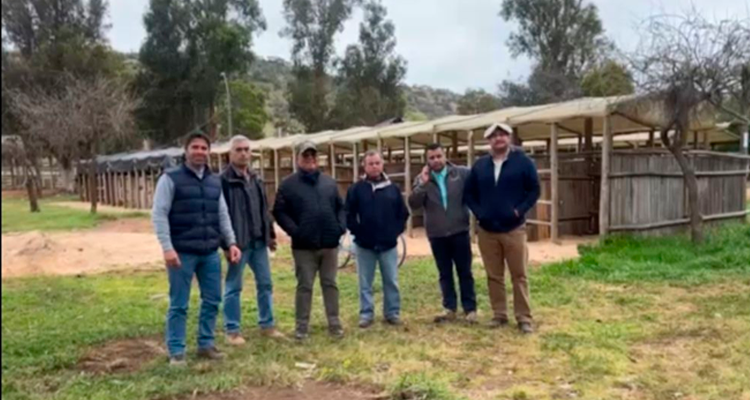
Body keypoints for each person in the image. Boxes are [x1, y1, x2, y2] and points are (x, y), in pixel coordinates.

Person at [152, 130, 242, 366]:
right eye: (195, 148)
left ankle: (205, 344)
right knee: (179, 303)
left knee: (212, 299)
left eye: (204, 148)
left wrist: (231, 242)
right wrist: (167, 247)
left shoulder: (214, 182)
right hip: (181, 252)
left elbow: (222, 214)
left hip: (209, 252)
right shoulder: (170, 179)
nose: (200, 152)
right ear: (186, 150)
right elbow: (159, 214)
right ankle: (176, 350)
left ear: (209, 152)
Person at [464, 123, 540, 334]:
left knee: (519, 275)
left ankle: (523, 317)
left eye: (502, 135)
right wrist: (480, 213)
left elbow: (534, 190)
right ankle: (499, 314)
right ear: (488, 140)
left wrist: (519, 210)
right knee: (494, 275)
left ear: (509, 137)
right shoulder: (480, 165)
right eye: (494, 136)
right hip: (487, 231)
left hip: (513, 229)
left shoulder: (523, 162)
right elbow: (469, 193)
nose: (498, 138)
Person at [272, 141, 346, 340]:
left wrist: (340, 227)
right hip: (304, 247)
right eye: (306, 156)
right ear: (298, 159)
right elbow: (279, 211)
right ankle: (301, 326)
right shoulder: (288, 185)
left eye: (313, 156)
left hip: (329, 244)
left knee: (330, 284)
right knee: (305, 286)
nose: (310, 159)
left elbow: (341, 207)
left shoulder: (329, 183)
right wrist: (295, 231)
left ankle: (334, 322)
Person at [220, 135, 285, 345]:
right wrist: (227, 243)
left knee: (265, 283)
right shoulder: (223, 181)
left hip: (258, 242)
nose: (243, 153)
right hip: (238, 244)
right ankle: (232, 330)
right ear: (230, 153)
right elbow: (220, 214)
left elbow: (264, 209)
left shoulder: (256, 178)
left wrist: (270, 236)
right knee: (233, 286)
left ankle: (267, 325)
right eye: (238, 149)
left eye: (247, 149)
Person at [408, 143, 477, 324]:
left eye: (438, 156)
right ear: (427, 160)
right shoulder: (421, 179)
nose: (436, 160)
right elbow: (413, 204)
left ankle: (470, 309)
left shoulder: (461, 173)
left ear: (445, 156)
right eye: (431, 158)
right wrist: (422, 185)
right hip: (437, 234)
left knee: (465, 272)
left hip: (459, 231)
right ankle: (449, 308)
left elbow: (476, 191)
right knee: (444, 273)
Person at [345, 150, 410, 328]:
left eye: (377, 163)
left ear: (382, 165)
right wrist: (358, 231)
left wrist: (394, 232)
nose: (374, 166)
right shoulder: (356, 189)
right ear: (364, 167)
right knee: (365, 282)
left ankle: (392, 312)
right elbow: (348, 214)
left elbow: (402, 213)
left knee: (391, 280)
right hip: (364, 245)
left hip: (388, 245)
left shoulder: (393, 188)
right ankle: (366, 314)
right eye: (370, 163)